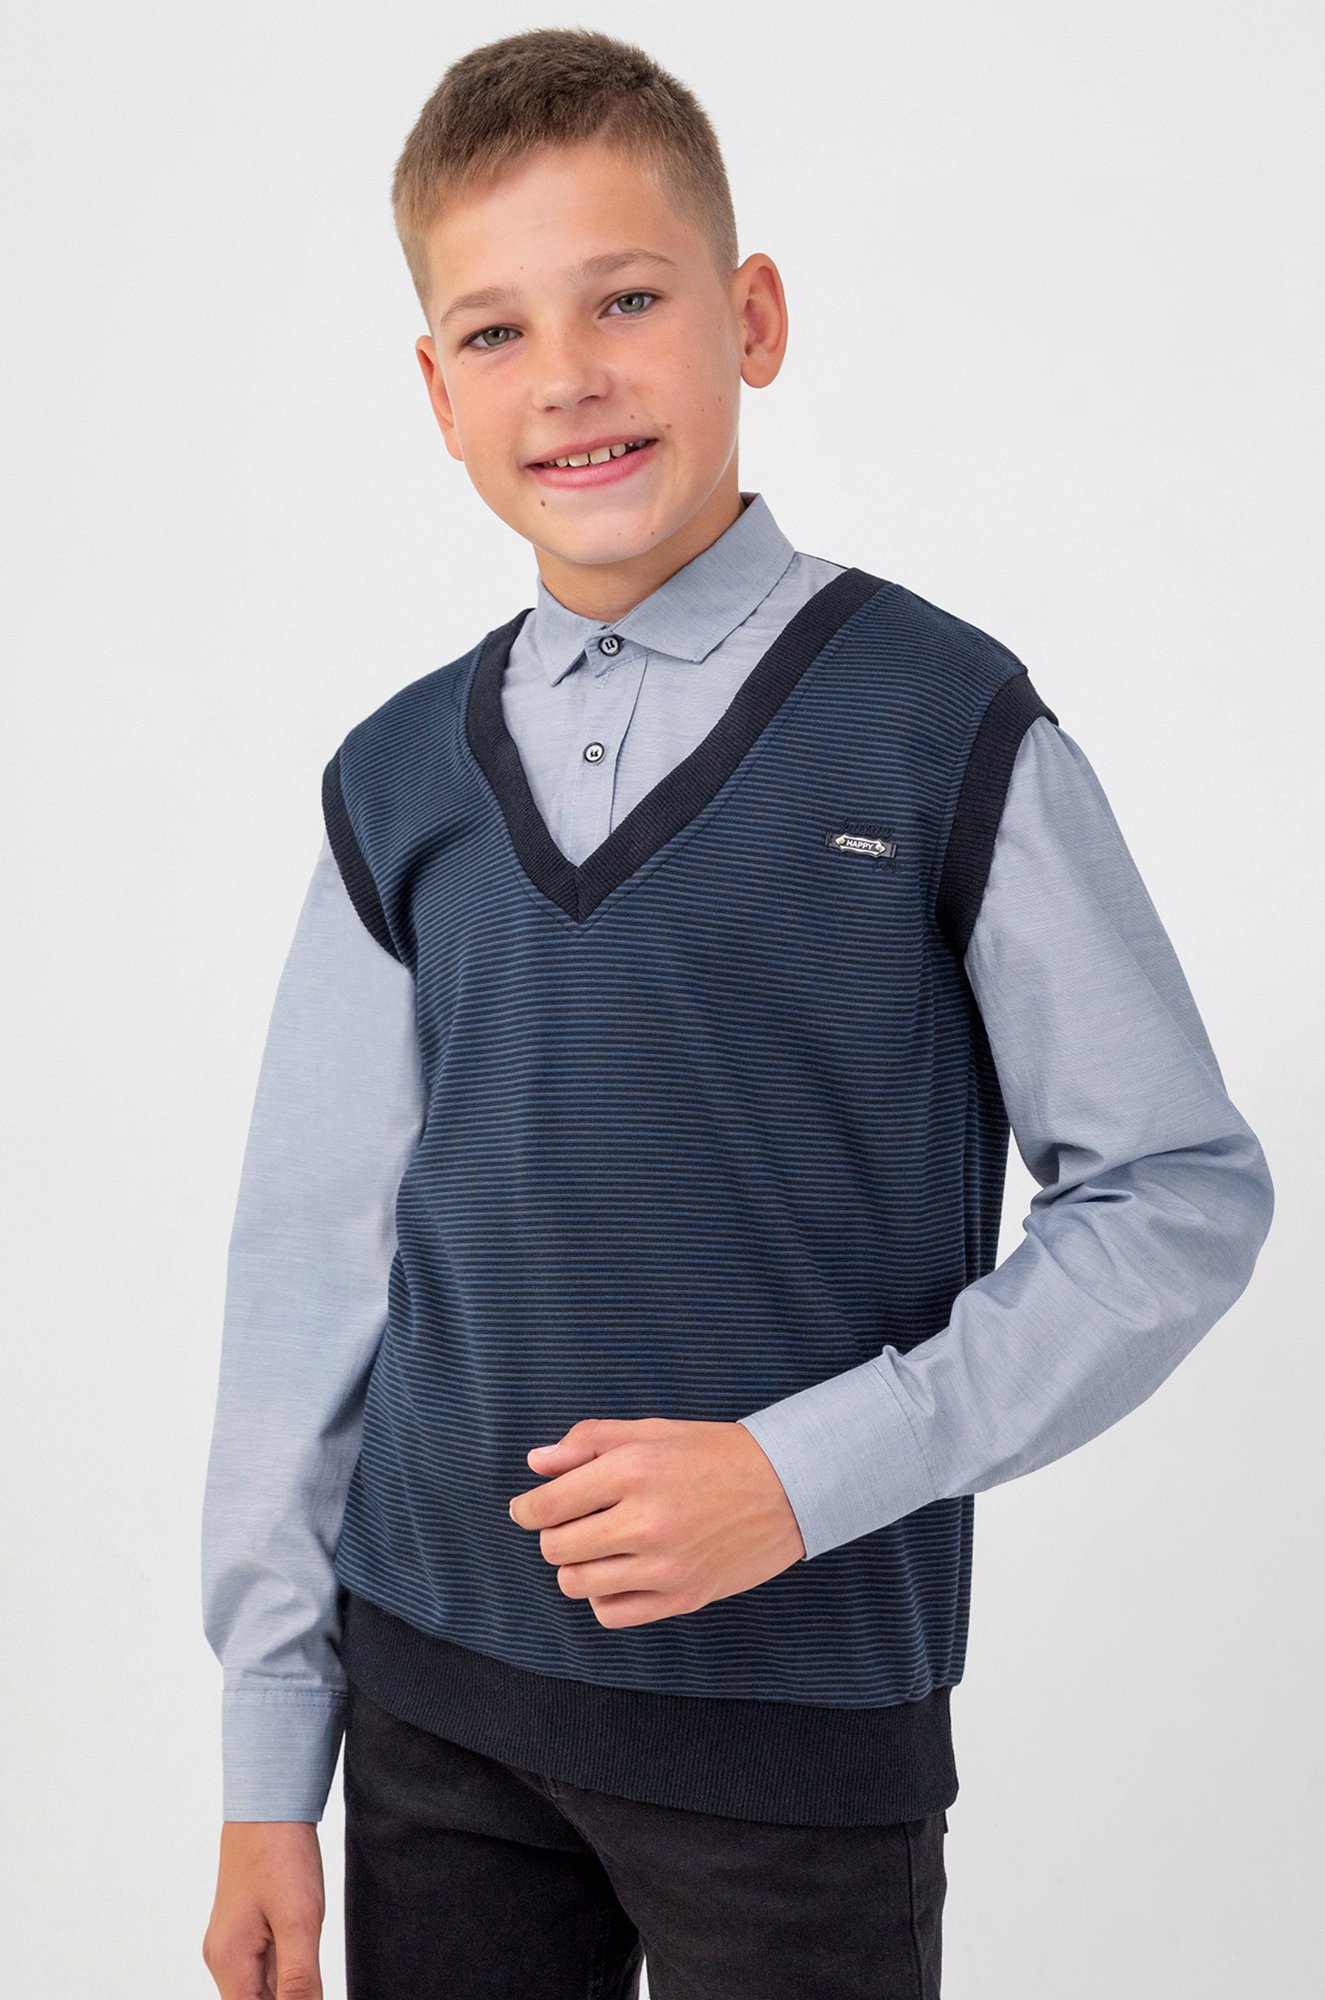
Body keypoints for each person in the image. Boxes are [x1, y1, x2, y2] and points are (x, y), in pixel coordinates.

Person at [199, 25, 1275, 2000]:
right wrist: (272, 1748)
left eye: (626, 299)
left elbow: (1176, 1195)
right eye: (497, 330)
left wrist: (810, 1471)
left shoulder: (940, 725)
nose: (569, 375)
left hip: (793, 1740)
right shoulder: (396, 779)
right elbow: (308, 1276)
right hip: (430, 1716)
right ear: (436, 392)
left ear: (750, 316)